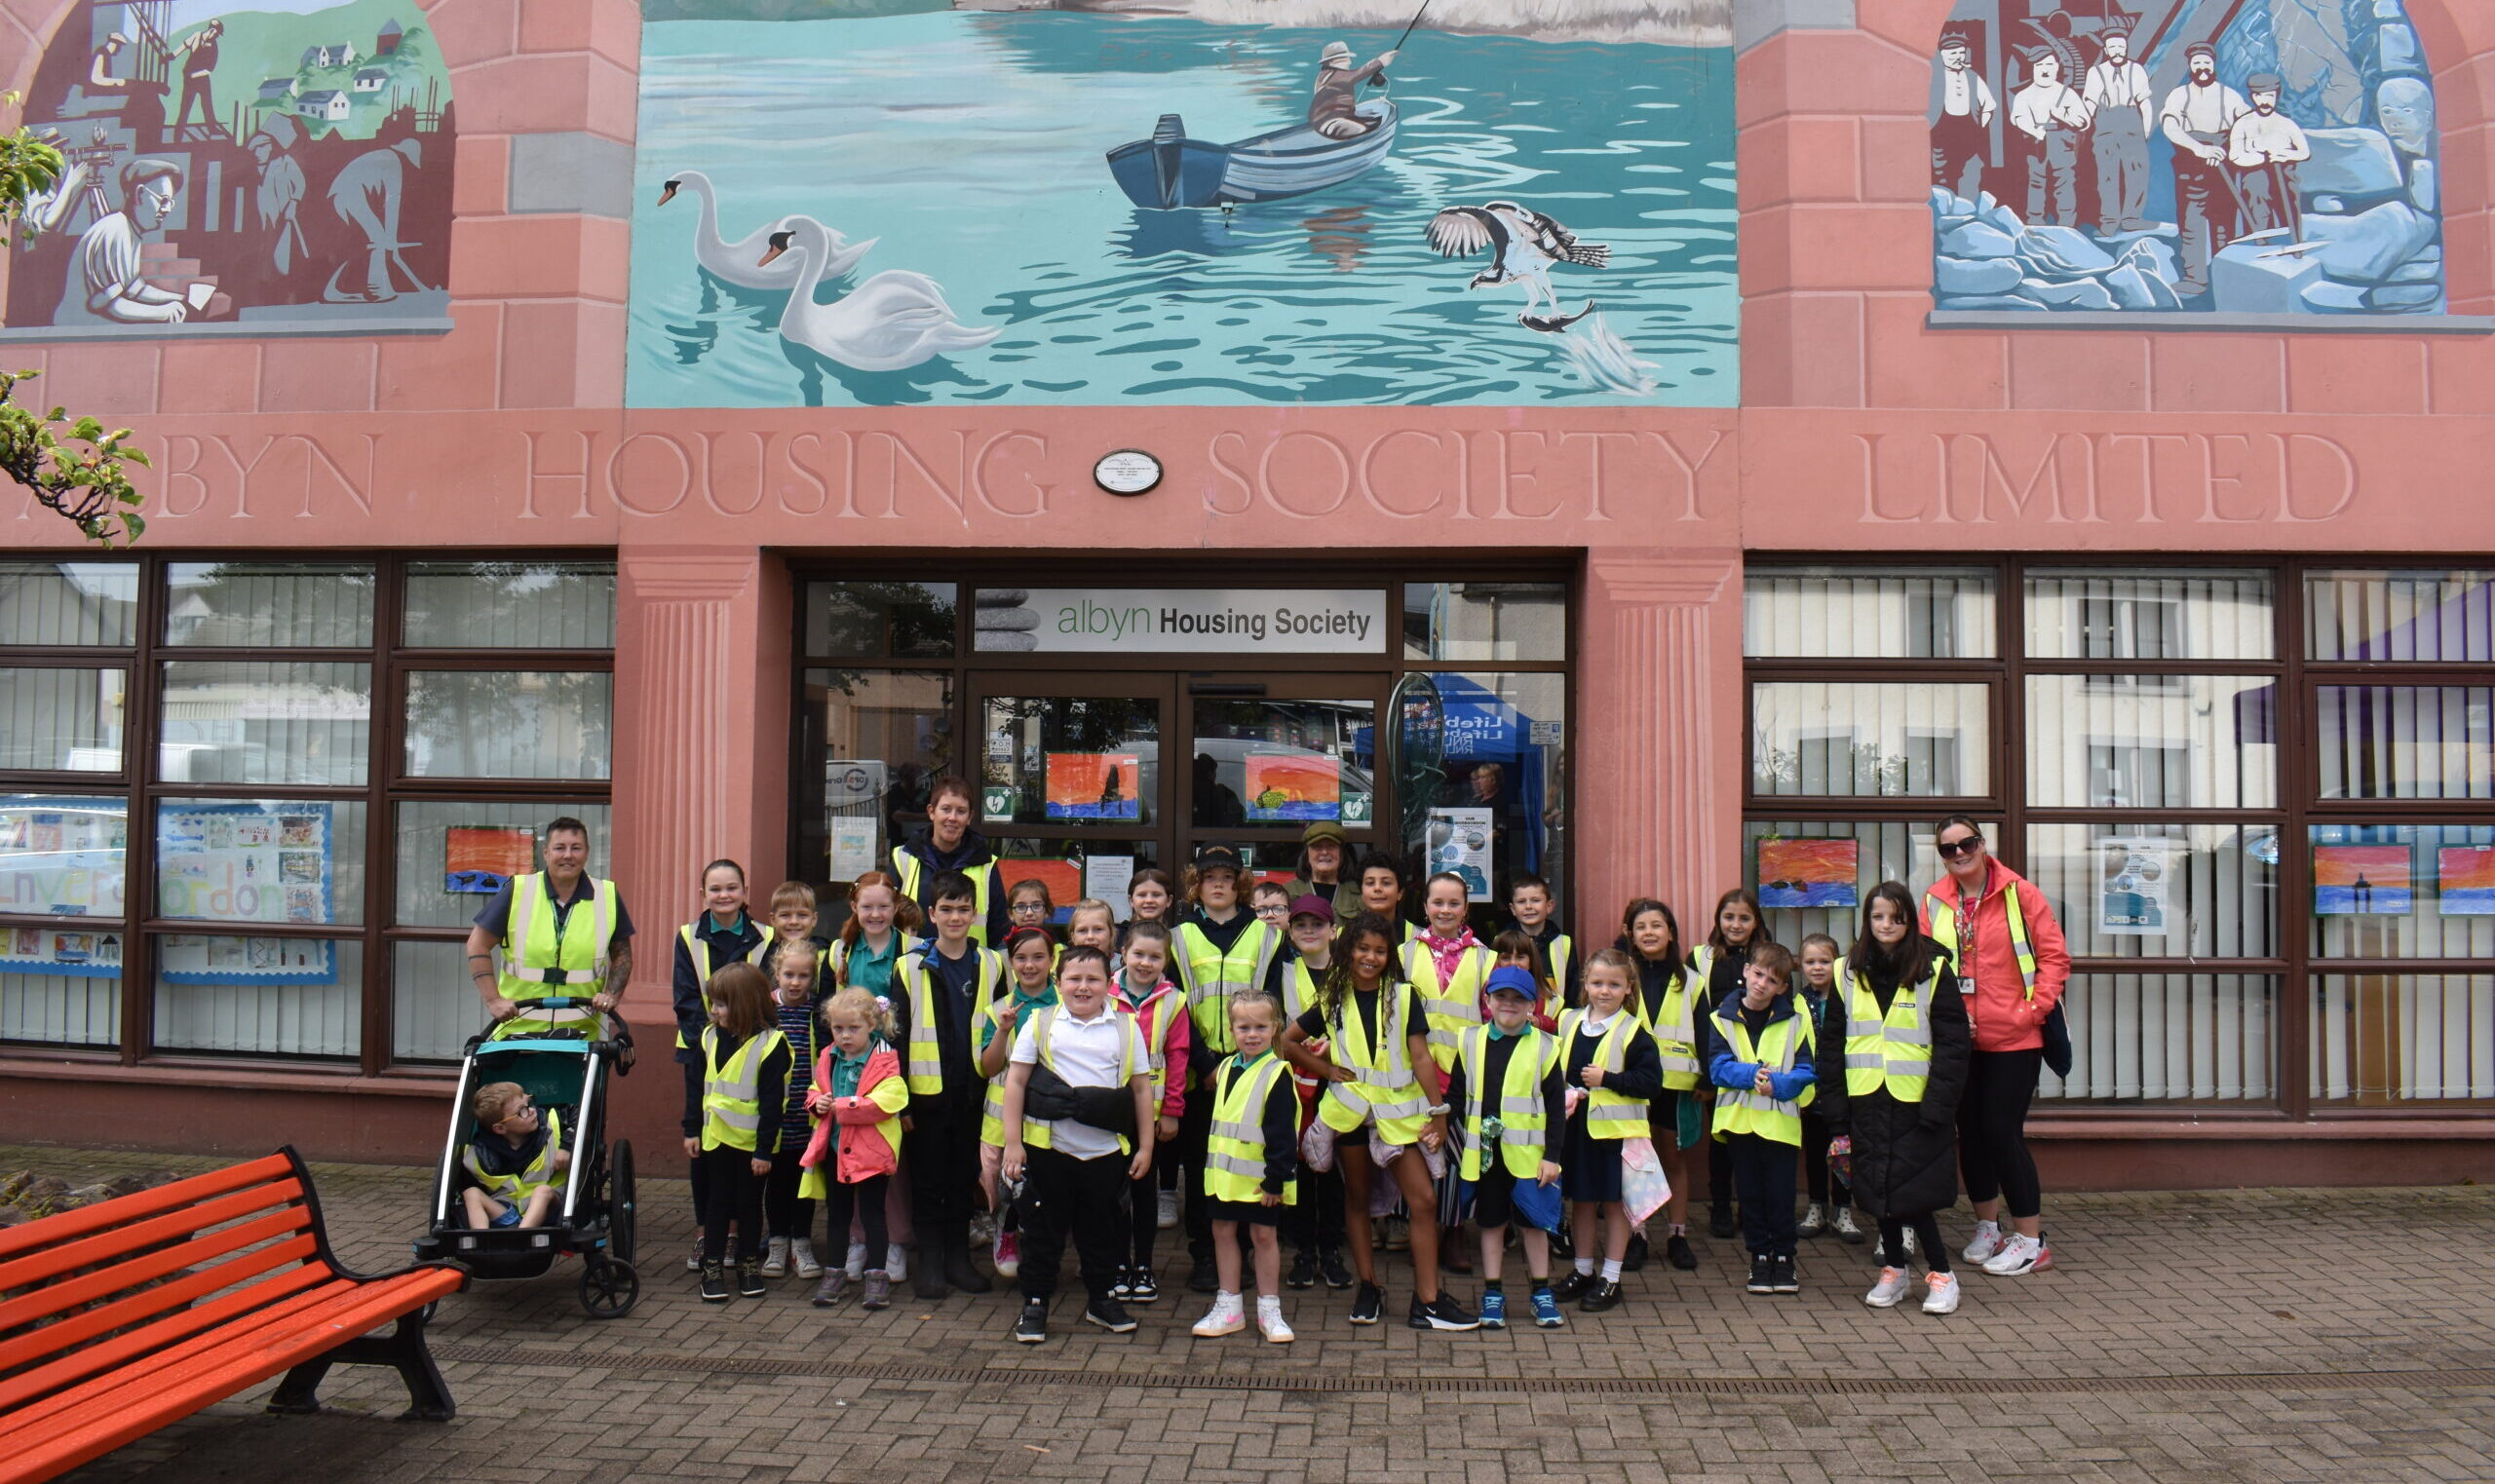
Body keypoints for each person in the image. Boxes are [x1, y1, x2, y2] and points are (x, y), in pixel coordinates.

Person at [1281, 912, 1476, 1331]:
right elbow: (1286, 1041)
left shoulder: (1405, 996)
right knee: (1357, 1199)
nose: (1370, 957)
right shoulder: (1333, 996)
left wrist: (1439, 1113)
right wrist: (1326, 1068)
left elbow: (1421, 1057)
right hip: (1350, 1111)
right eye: (1363, 948)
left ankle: (1427, 1300)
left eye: (1380, 950)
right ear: (1348, 948)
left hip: (1398, 1114)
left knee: (1423, 1200)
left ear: (1390, 956)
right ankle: (1368, 1286)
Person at [1921, 816, 2068, 1277]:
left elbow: (2054, 957)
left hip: (2014, 1038)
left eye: (1966, 843)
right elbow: (1925, 963)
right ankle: (1989, 1227)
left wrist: (2031, 1011)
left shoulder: (2019, 892)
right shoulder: (1934, 899)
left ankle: (2030, 1240)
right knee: (1973, 1136)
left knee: (2002, 1133)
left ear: (1982, 844)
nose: (1959, 853)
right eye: (1948, 848)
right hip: (1960, 1041)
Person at [1820, 884, 1971, 1316]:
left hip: (1917, 1101)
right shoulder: (1845, 971)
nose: (1887, 925)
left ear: (1909, 922)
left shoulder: (1934, 969)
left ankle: (1942, 1274)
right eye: (1879, 917)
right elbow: (1831, 1045)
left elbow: (1953, 1044)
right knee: (1876, 1188)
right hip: (1864, 1097)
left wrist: (1940, 1104)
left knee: (1913, 1194)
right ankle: (1895, 1269)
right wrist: (1835, 1111)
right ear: (1867, 921)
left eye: (1897, 917)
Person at [1000, 945, 1157, 1344]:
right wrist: (1013, 1144)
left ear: (1109, 985)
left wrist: (1145, 1147)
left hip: (1105, 1153)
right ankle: (1034, 1305)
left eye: (1093, 980)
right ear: (1058, 983)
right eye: (1074, 979)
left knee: (1101, 1233)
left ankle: (1102, 1301)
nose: (1083, 987)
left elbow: (1141, 1089)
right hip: (1049, 1152)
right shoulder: (1039, 1022)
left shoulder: (1126, 1027)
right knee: (1042, 1235)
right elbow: (1015, 1083)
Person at [889, 870, 1008, 1300]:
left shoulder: (993, 963)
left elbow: (1003, 1027)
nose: (955, 917)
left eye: (963, 909)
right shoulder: (909, 966)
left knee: (963, 1178)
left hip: (975, 1091)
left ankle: (959, 1259)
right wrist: (901, 1103)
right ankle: (931, 1262)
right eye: (947, 910)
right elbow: (897, 1037)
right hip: (925, 1095)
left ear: (975, 913)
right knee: (928, 1181)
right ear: (932, 915)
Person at [1171, 845, 1284, 1293]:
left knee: (1249, 1161)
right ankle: (1205, 1255)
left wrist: (1241, 1063)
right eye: (1209, 876)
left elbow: (1273, 1006)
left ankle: (1245, 1253)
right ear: (1196, 883)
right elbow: (1177, 1005)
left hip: (1250, 1068)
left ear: (1240, 882)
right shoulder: (1179, 935)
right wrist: (1206, 1064)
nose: (1217, 883)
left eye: (1226, 876)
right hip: (1203, 1073)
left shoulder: (1266, 935)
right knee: (1204, 1164)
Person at [667, 859, 772, 1271]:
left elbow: (766, 994)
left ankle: (738, 1234)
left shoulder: (766, 936)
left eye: (732, 888)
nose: (724, 895)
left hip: (750, 1052)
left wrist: (741, 1040)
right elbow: (686, 997)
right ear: (702, 895)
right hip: (701, 1051)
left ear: (745, 892)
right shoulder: (686, 937)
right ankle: (706, 1235)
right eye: (715, 889)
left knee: (742, 1145)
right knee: (706, 1147)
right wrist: (714, 1042)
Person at [1449, 967, 1566, 1330]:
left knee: (1534, 1224)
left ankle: (1541, 1292)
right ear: (1487, 1001)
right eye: (1501, 997)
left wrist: (1552, 1157)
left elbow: (1556, 1108)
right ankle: (1493, 1292)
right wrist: (1436, 1125)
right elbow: (1456, 1096)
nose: (1509, 1005)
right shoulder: (1469, 1040)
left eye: (1518, 999)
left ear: (1532, 1005)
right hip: (1485, 1155)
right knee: (1491, 1221)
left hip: (1530, 1157)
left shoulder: (1546, 1046)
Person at [1705, 942, 1816, 1297]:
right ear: (1746, 971)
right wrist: (1751, 1075)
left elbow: (1807, 1070)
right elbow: (1717, 1069)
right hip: (1739, 1123)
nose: (1762, 983)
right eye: (1758, 973)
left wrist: (1778, 1084)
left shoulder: (1798, 1020)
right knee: (1750, 1196)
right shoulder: (1720, 1017)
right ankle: (1759, 1257)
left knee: (1781, 1196)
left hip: (1779, 1124)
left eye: (1772, 980)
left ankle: (1784, 1258)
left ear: (1783, 987)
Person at [1190, 991, 1300, 1344]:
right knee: (1222, 1233)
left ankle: (1270, 1310)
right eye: (1243, 1027)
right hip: (1224, 1179)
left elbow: (1283, 1133)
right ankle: (1229, 1306)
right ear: (1232, 1028)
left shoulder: (1277, 1073)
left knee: (1263, 1237)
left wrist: (1275, 1180)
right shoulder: (1224, 1068)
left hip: (1261, 1182)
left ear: (1275, 1028)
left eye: (1260, 1027)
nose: (1252, 1034)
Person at [1554, 949, 1662, 1311]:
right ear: (1585, 983)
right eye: (1597, 983)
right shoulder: (1568, 1022)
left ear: (1628, 988)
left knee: (1615, 1207)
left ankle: (1611, 1278)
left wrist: (1607, 1079)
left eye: (1614, 984)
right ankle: (1583, 1270)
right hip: (1578, 1133)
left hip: (1616, 1136)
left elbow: (1650, 1082)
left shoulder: (1633, 1031)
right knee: (1581, 1202)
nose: (1604, 991)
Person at [467, 818, 634, 1044]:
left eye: (576, 848)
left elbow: (622, 954)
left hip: (579, 1037)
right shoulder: (518, 891)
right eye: (559, 848)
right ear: (546, 853)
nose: (568, 855)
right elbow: (477, 943)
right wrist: (493, 1000)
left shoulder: (607, 896)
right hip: (516, 1033)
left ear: (587, 853)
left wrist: (611, 995)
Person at [683, 963, 791, 1303]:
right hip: (714, 1140)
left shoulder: (771, 1044)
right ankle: (712, 1266)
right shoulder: (707, 1037)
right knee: (717, 1205)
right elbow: (695, 1089)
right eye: (712, 1003)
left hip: (751, 1146)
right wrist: (691, 1130)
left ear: (745, 1003)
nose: (714, 1011)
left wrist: (763, 1151)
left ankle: (747, 1264)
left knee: (747, 1205)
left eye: (721, 1004)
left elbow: (774, 1104)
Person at [800, 986, 908, 1312]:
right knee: (838, 1214)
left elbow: (889, 1101)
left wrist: (845, 1105)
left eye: (853, 1028)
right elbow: (815, 1089)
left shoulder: (885, 1057)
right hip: (835, 1150)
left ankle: (877, 1277)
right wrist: (816, 1103)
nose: (845, 1036)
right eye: (838, 1028)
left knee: (874, 1213)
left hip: (872, 1152)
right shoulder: (827, 1056)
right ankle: (835, 1272)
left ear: (871, 1026)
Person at [1408, 871, 1493, 1273]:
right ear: (1425, 906)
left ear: (1466, 908)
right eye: (1437, 902)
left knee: (1460, 1156)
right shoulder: (1404, 953)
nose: (1445, 910)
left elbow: (1492, 1016)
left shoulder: (1485, 956)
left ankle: (1455, 1232)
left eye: (1453, 903)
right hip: (1415, 1071)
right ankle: (1420, 1229)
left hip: (1464, 1074)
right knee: (1423, 1152)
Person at [1267, 894, 1351, 1291]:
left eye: (1317, 924)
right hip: (1295, 1080)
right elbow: (1273, 1028)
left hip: (1342, 1080)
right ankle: (1303, 1252)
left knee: (1333, 1169)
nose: (1309, 932)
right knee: (1299, 1167)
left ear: (1333, 930)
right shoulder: (1282, 971)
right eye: (1300, 925)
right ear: (1291, 931)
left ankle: (1331, 1250)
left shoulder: (1351, 971)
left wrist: (1332, 1050)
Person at [1111, 920, 1189, 1306]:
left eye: (1155, 957)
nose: (1145, 962)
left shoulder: (1174, 1001)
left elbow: (1178, 1057)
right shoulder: (1102, 991)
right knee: (1111, 1192)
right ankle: (1117, 1265)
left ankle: (1143, 1265)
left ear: (1166, 961)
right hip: (1107, 1111)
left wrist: (1172, 1110)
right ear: (1123, 952)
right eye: (1138, 954)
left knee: (1144, 1191)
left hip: (1151, 1113)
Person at [977, 925, 1060, 1280]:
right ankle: (1005, 1231)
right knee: (1004, 1183)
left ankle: (1041, 1247)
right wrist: (1003, 1030)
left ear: (1052, 960)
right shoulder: (997, 1008)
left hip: (1047, 1116)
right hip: (1000, 1120)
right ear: (1010, 962)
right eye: (1021, 958)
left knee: (1042, 1184)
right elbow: (988, 1066)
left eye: (1038, 957)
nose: (1030, 965)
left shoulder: (1066, 1002)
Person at [1620, 899, 1700, 1271]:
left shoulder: (1692, 980)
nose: (1649, 932)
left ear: (1671, 932)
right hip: (1631, 1082)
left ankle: (1677, 1234)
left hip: (1676, 1084)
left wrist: (1709, 1078)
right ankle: (1638, 1234)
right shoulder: (1622, 977)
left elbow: (1708, 1031)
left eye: (1657, 925)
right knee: (1635, 1160)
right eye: (1641, 926)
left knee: (1672, 1158)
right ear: (1630, 935)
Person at [1689, 889, 1770, 1241]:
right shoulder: (1700, 959)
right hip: (1720, 1065)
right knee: (1721, 1139)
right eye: (1729, 917)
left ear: (1756, 922)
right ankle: (1721, 1205)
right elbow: (1693, 1018)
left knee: (1755, 1139)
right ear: (1718, 919)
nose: (1735, 925)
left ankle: (1752, 1209)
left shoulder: (1768, 957)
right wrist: (1706, 1076)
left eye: (1744, 918)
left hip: (1759, 1065)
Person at [2161, 42, 2251, 297]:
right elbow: (2171, 127)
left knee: (2224, 222)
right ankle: (2194, 278)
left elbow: (2246, 124)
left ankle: (2227, 278)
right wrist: (2199, 149)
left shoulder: (2230, 95)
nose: (2202, 67)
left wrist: (2226, 149)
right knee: (2192, 222)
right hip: (2191, 165)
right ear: (2190, 65)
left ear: (2213, 65)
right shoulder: (2179, 96)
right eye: (2197, 63)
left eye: (2206, 62)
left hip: (2224, 163)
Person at [761, 940, 827, 1282]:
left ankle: (801, 1244)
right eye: (789, 974)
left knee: (804, 1182)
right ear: (776, 973)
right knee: (777, 1181)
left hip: (809, 1114)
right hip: (774, 1115)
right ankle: (777, 1242)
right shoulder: (766, 1010)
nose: (796, 982)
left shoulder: (817, 1011)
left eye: (804, 975)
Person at [61, 160, 189, 324]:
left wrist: (183, 298)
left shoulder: (131, 232)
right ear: (139, 194)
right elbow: (111, 305)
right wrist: (164, 311)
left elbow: (135, 290)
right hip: (78, 333)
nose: (167, 209)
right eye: (163, 201)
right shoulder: (114, 229)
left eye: (170, 203)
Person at [1793, 932, 1860, 1243]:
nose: (1817, 967)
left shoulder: (1848, 998)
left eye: (1825, 961)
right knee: (1817, 1152)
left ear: (1838, 963)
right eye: (1810, 962)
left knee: (1843, 1150)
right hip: (1811, 1092)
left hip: (1843, 1090)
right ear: (1800, 966)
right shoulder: (1796, 1002)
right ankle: (1817, 1206)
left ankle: (1843, 1209)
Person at [891, 775, 1009, 947]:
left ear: (969, 817)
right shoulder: (904, 858)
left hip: (971, 968)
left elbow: (999, 930)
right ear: (931, 812)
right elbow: (887, 920)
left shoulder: (986, 864)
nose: (952, 818)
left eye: (961, 811)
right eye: (946, 809)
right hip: (914, 967)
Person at [460, 1082, 569, 1232]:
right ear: (500, 1128)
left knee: (542, 1191)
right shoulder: (480, 1154)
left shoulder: (551, 1125)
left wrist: (566, 1147)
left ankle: (520, 1238)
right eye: (522, 1111)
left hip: (549, 1208)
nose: (531, 1111)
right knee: (471, 1193)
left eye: (528, 1104)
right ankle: (480, 1240)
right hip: (508, 1211)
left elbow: (579, 1113)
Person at [2082, 26, 2153, 234]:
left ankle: (2131, 218)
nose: (2118, 51)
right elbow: (2089, 104)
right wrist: (2084, 126)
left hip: (2132, 122)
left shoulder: (2137, 70)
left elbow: (2145, 103)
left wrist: (2145, 130)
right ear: (2105, 48)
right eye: (2113, 47)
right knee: (2107, 175)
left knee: (2137, 172)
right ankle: (2109, 220)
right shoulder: (2095, 72)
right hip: (2106, 123)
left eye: (2121, 46)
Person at [2010, 51, 2091, 226]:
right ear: (2032, 68)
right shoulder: (2024, 95)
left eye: (2049, 65)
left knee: (2065, 182)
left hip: (2062, 141)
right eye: (2039, 65)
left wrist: (2063, 116)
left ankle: (2067, 224)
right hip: (2036, 141)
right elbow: (2017, 117)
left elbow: (2084, 121)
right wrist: (2033, 130)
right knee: (2036, 182)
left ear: (2057, 67)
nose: (2044, 70)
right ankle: (2035, 223)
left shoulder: (2067, 93)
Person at [2228, 74, 2309, 237]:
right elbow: (2235, 155)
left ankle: (2293, 242)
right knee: (2257, 193)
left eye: (2269, 96)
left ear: (2276, 95)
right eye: (2258, 96)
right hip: (2254, 175)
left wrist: (2285, 155)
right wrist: (2259, 157)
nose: (2264, 101)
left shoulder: (2286, 124)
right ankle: (2261, 241)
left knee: (2288, 204)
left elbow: (2304, 152)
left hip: (2284, 175)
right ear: (2252, 97)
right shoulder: (2243, 123)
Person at [1929, 28, 1997, 203]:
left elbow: (1989, 104)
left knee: (1972, 171)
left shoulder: (1973, 77)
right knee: (1942, 175)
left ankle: (1968, 209)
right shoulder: (1934, 77)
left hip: (1969, 132)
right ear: (1942, 54)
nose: (1958, 57)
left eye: (1961, 52)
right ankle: (1944, 211)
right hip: (1942, 132)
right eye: (1952, 53)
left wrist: (1981, 124)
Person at [830, 870, 919, 1002]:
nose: (875, 914)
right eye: (867, 907)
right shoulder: (838, 950)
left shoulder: (917, 949)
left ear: (895, 907)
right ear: (854, 907)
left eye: (883, 906)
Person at [1506, 874, 1576, 1021]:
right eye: (1521, 901)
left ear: (1549, 906)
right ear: (1512, 909)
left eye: (1536, 900)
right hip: (1511, 1024)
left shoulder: (1563, 944)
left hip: (1554, 1027)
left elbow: (1573, 991)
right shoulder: (1501, 942)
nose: (1529, 906)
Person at [1308, 39, 1398, 140]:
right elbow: (1359, 73)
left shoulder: (1324, 75)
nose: (1349, 62)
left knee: (1372, 120)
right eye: (1345, 59)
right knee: (1363, 129)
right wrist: (1381, 62)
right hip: (1331, 122)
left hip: (1328, 120)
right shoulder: (1338, 77)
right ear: (1332, 61)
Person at [1281, 820, 1361, 924]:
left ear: (1341, 853)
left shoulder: (1358, 893)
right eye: (1317, 846)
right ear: (1307, 854)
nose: (1324, 852)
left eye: (1331, 846)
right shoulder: (1288, 892)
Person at [171, 19, 223, 134]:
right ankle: (178, 132)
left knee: (207, 104)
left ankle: (212, 129)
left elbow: (209, 69)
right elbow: (183, 46)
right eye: (217, 34)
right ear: (212, 30)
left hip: (202, 78)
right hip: (189, 79)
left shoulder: (214, 46)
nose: (217, 36)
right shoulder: (197, 36)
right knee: (185, 106)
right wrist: (171, 56)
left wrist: (194, 75)